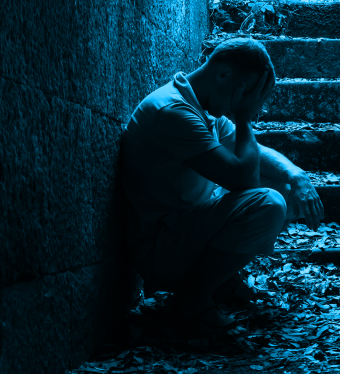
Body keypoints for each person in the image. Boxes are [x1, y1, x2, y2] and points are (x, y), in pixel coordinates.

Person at [120, 37, 324, 335]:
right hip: (159, 250)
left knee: (286, 187)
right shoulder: (174, 111)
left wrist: (296, 175)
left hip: (184, 230)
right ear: (224, 74)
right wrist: (244, 117)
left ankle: (218, 279)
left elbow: (258, 155)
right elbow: (243, 178)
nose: (249, 101)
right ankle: (193, 300)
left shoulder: (203, 105)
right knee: (268, 203)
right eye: (247, 92)